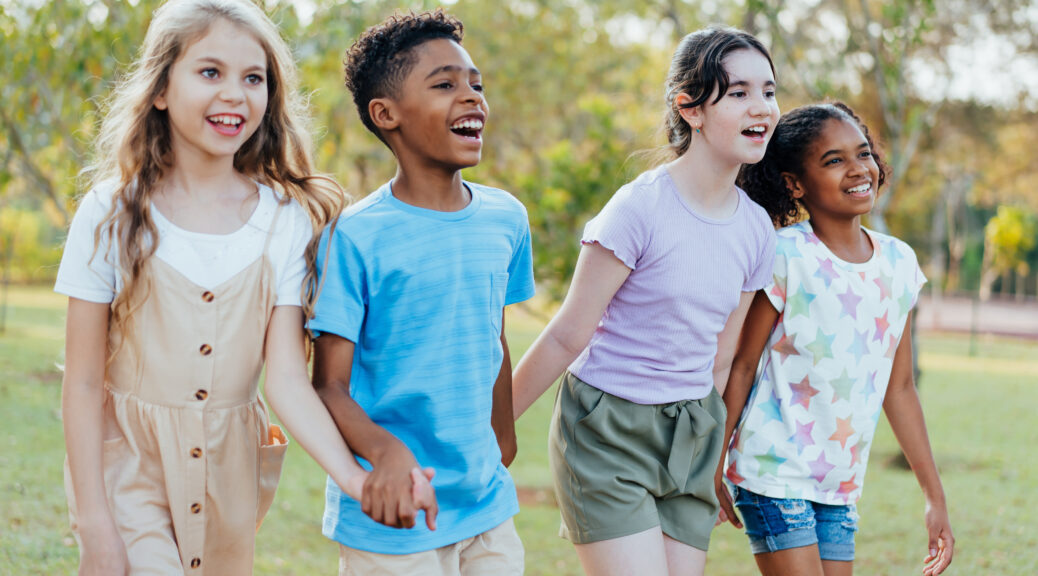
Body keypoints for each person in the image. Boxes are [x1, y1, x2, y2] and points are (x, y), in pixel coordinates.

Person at [54, 1, 369, 573]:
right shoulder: (111, 213)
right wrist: (94, 526)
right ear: (160, 89)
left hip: (230, 474)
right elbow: (80, 383)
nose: (235, 94)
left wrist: (351, 476)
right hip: (127, 466)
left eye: (254, 78)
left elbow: (286, 381)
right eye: (209, 72)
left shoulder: (286, 219)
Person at [510, 26, 779, 576]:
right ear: (690, 108)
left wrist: (715, 450)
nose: (762, 108)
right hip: (607, 428)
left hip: (692, 430)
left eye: (769, 91)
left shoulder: (756, 230)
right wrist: (493, 427)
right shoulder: (638, 210)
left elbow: (722, 358)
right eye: (739, 93)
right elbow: (567, 333)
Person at [309, 9, 535, 575]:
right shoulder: (352, 237)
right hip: (393, 510)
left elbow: (495, 340)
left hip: (487, 506)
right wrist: (385, 455)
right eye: (445, 85)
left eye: (475, 84)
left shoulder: (506, 219)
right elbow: (328, 384)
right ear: (386, 115)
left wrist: (501, 440)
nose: (472, 98)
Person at [715, 102, 954, 576]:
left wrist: (934, 497)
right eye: (834, 160)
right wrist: (713, 462)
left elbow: (900, 387)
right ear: (794, 183)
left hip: (840, 485)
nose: (858, 169)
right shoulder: (785, 255)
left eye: (862, 153)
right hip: (773, 469)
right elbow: (742, 366)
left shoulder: (899, 263)